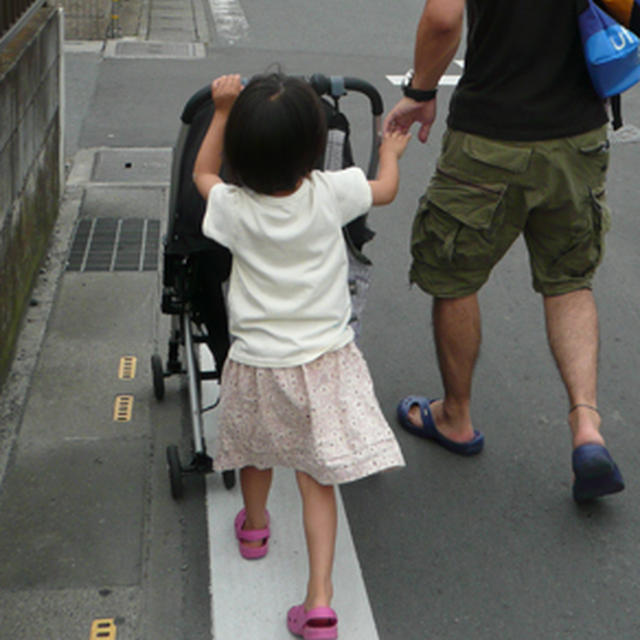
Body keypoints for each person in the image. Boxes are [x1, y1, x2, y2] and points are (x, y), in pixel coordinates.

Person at [193, 72, 408, 639]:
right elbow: (384, 189)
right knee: (318, 479)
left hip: (259, 363)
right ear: (316, 150)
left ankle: (256, 528)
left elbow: (202, 174)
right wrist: (390, 150)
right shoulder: (331, 191)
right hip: (324, 362)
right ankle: (319, 602)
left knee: (258, 453)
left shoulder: (235, 208)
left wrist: (219, 113)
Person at [385, 0, 625, 503]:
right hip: (578, 131)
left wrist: (421, 92)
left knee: (456, 277)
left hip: (489, 135)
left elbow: (444, 17)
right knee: (569, 282)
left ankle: (455, 415)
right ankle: (586, 424)